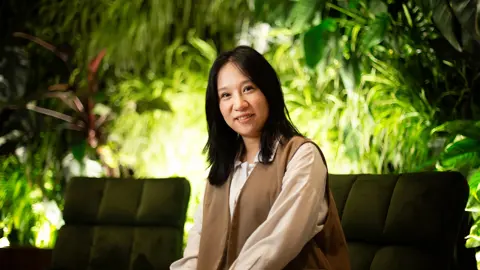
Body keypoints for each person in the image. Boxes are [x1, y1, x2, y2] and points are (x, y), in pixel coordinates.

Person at [170, 45, 350, 270]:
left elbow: (278, 242)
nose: (239, 104)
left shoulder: (302, 156)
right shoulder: (221, 172)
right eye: (226, 95)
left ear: (268, 91)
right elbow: (196, 251)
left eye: (248, 89)